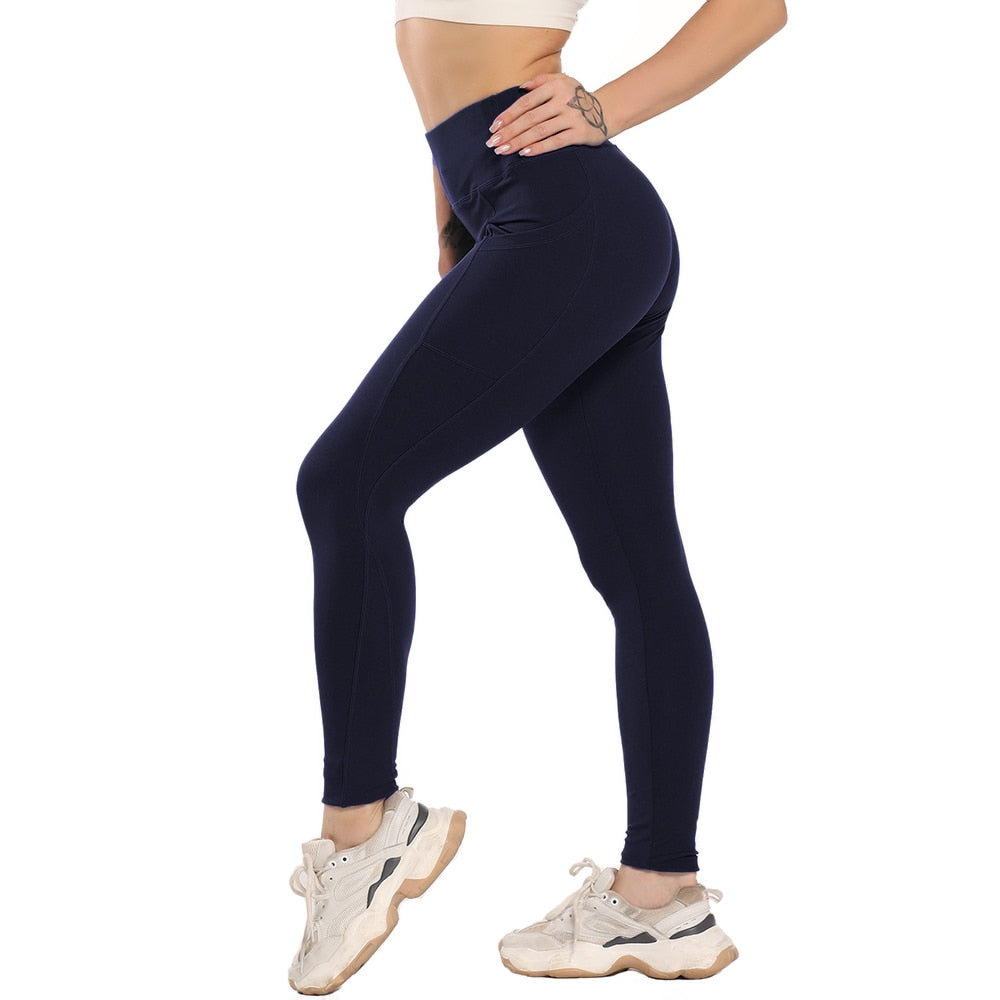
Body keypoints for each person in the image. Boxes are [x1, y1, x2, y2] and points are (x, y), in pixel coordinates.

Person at [286, 0, 787, 993]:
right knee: (638, 566)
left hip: (563, 213)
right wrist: (450, 211)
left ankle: (364, 828)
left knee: (345, 484)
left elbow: (756, 7)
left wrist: (603, 107)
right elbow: (437, 54)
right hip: (525, 212)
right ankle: (661, 897)